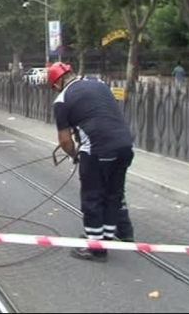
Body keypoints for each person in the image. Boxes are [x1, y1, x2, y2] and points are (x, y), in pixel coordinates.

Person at [49, 62, 135, 262]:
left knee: (92, 197)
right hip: (124, 146)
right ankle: (104, 238)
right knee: (113, 195)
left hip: (97, 150)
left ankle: (95, 248)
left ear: (56, 83)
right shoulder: (99, 84)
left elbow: (64, 140)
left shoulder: (62, 100)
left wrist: (74, 155)